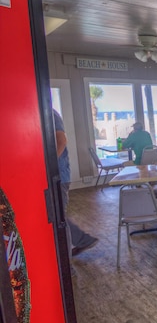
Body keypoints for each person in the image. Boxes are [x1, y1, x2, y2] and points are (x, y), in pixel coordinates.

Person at [53, 110, 99, 257]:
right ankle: (82, 240)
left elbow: (61, 140)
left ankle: (68, 264)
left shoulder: (50, 114)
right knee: (57, 216)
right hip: (56, 175)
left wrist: (48, 164)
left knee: (58, 217)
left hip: (57, 175)